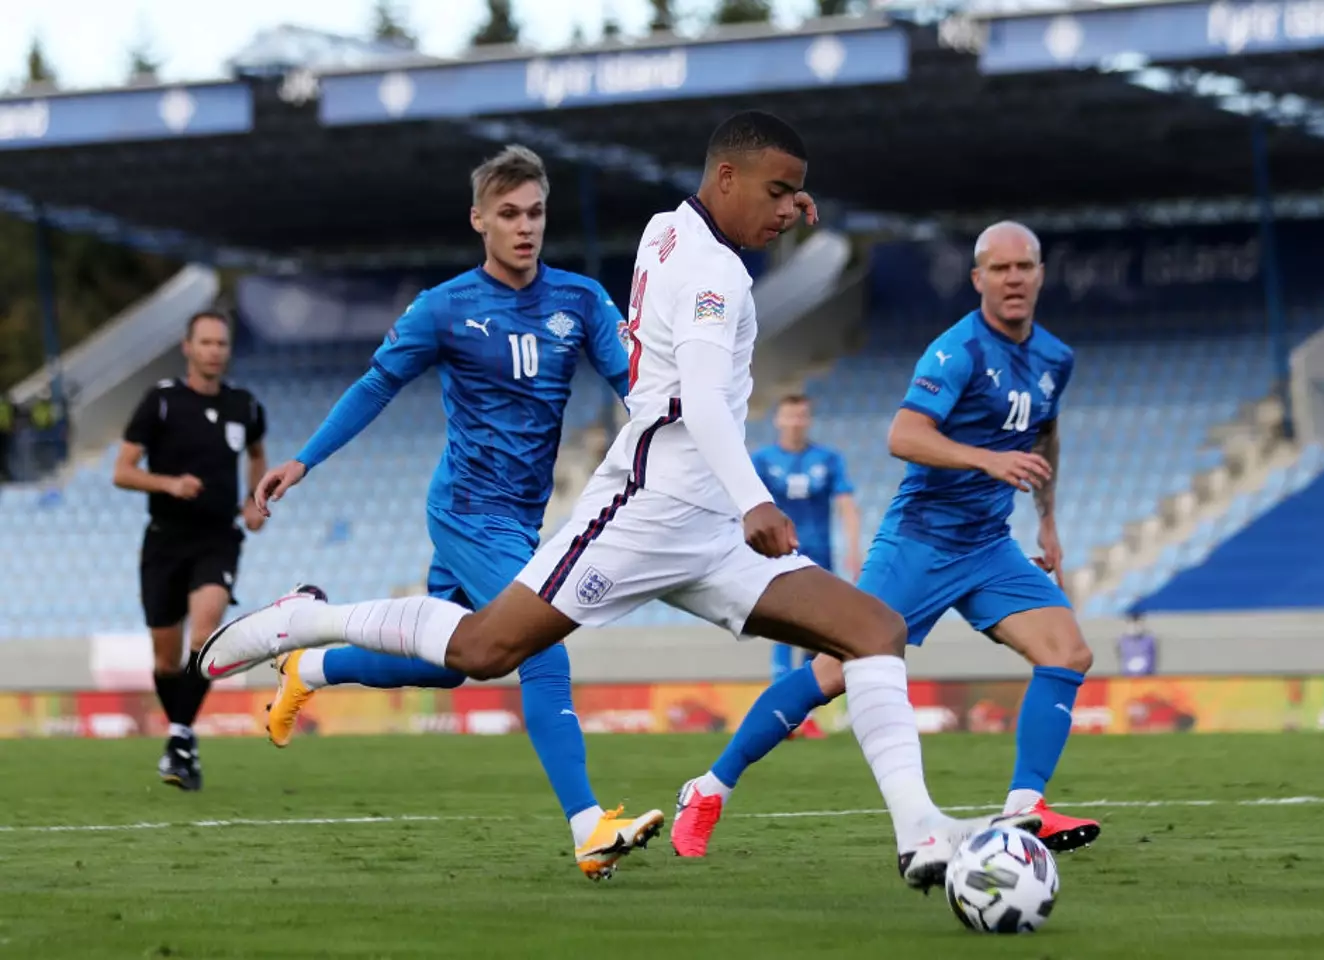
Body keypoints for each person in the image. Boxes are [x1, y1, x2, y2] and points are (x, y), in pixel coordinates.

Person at [198, 111, 1039, 891]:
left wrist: (774, 199)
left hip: (706, 530)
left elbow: (676, 313)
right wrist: (757, 499)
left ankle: (920, 831)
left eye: (794, 192)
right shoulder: (717, 278)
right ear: (728, 179)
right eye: (777, 191)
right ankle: (308, 624)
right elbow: (704, 403)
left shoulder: (666, 229)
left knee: (873, 629)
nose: (788, 208)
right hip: (641, 513)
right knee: (492, 652)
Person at [251, 145, 657, 882]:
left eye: (535, 212)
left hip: (521, 517)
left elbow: (638, 389)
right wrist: (304, 460)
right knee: (541, 644)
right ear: (480, 220)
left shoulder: (581, 300)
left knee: (451, 666)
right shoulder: (444, 307)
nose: (525, 227)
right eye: (508, 214)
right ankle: (589, 826)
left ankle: (310, 664)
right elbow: (376, 385)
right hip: (467, 509)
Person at [669, 221, 1102, 859]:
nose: (1013, 279)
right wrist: (986, 461)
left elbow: (1045, 436)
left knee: (1068, 652)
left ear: (1039, 274)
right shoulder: (957, 351)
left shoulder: (1054, 359)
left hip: (989, 546)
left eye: (1025, 267)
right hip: (920, 543)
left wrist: (1047, 523)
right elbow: (903, 435)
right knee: (831, 674)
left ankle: (1024, 808)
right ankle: (709, 788)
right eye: (999, 268)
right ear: (978, 278)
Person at [114, 311, 267, 791]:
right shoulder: (160, 402)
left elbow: (258, 454)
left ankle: (178, 736)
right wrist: (169, 483)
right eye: (205, 342)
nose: (214, 351)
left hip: (218, 538)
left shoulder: (245, 405)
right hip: (164, 540)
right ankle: (183, 743)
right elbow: (122, 470)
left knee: (206, 631)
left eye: (221, 343)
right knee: (165, 660)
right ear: (188, 347)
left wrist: (253, 498)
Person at [751, 393, 860, 737]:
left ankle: (804, 716)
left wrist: (854, 547)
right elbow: (749, 506)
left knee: (819, 636)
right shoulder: (763, 461)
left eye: (801, 416)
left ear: (808, 419)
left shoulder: (827, 459)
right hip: (778, 558)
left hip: (820, 562)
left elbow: (845, 504)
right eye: (789, 416)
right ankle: (782, 718)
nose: (795, 422)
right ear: (778, 420)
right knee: (782, 631)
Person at [1117, 612, 1158, 676]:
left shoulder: (1149, 640)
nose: (1135, 627)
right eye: (1132, 624)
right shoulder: (1123, 641)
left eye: (1138, 624)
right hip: (1127, 678)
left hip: (1146, 677)